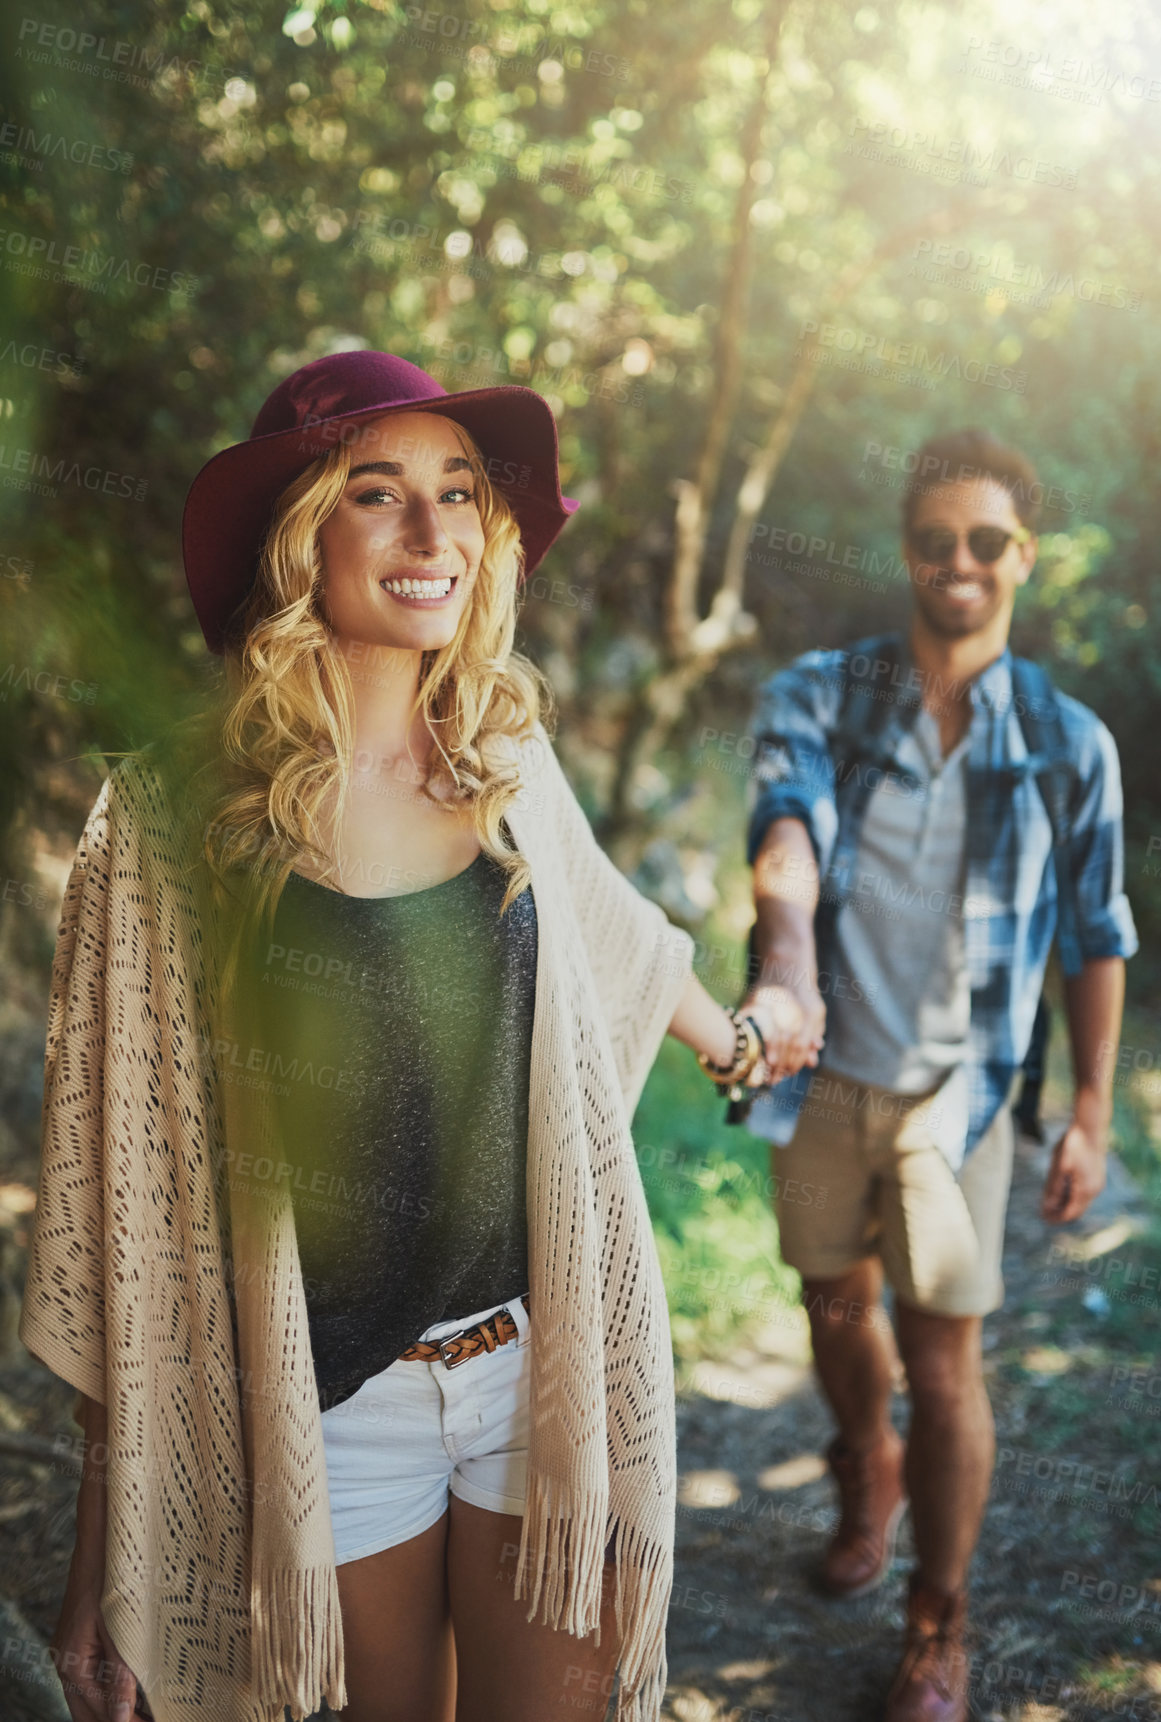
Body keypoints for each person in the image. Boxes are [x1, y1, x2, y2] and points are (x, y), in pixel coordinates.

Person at [18, 350, 771, 1722]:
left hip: (534, 1370)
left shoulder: (503, 760)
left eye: (459, 493)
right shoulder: (170, 831)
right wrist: (108, 1563)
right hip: (333, 1412)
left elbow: (623, 940)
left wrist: (751, 1044)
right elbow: (136, 1223)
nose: (434, 535)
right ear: (301, 535)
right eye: (380, 494)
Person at [738, 427, 1137, 1722]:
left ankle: (936, 1624)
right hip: (819, 1072)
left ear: (1018, 557)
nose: (956, 563)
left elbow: (1094, 937)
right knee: (832, 1308)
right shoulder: (817, 693)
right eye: (932, 540)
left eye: (982, 542)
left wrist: (1083, 1110)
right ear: (906, 550)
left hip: (961, 1093)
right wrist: (784, 962)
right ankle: (865, 1458)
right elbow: (782, 836)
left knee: (945, 1357)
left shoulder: (1068, 743)